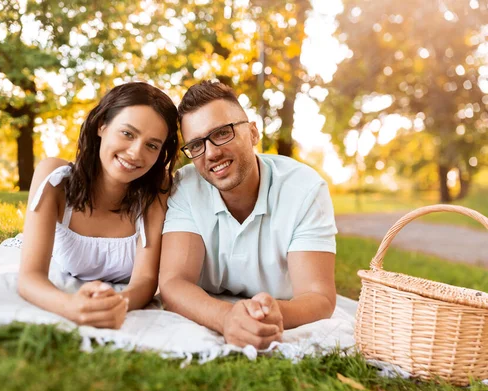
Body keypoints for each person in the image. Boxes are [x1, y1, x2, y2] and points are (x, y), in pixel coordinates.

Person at [159, 81, 337, 349]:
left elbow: (319, 297)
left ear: (253, 133)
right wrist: (227, 317)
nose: (211, 153)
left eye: (222, 133)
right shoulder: (185, 186)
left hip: (276, 306)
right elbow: (173, 283)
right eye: (196, 145)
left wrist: (277, 314)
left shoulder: (305, 189)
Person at [17, 82, 178, 329]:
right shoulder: (54, 179)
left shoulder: (157, 189)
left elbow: (145, 280)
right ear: (102, 125)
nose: (136, 152)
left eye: (152, 145)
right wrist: (71, 306)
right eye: (127, 133)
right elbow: (29, 277)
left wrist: (116, 303)